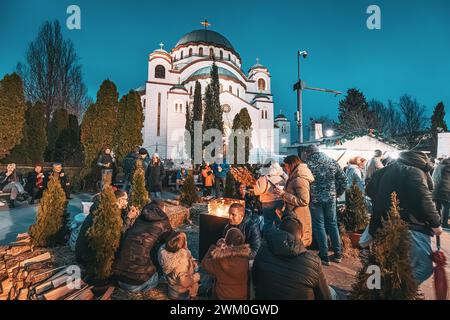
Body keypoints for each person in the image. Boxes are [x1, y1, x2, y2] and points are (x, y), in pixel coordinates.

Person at [366, 151, 442, 285]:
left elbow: (369, 190)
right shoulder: (415, 172)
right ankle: (398, 290)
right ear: (422, 162)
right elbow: (424, 200)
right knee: (423, 267)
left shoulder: (384, 170)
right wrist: (436, 223)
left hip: (381, 224)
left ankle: (377, 290)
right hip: (410, 227)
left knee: (381, 262)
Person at [252, 217, 333, 300]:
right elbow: (325, 297)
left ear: (279, 230)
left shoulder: (263, 249)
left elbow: (254, 279)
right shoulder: (313, 261)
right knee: (332, 292)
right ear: (300, 236)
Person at [113, 201, 173, 292]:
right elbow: (173, 240)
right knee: (162, 248)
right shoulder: (163, 221)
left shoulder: (139, 219)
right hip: (138, 284)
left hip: (119, 279)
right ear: (162, 209)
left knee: (144, 246)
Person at [305, 145, 347, 265]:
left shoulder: (308, 164)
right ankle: (338, 254)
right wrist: (337, 193)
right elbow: (344, 180)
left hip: (315, 199)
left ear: (308, 152)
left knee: (319, 226)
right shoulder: (332, 161)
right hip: (331, 198)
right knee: (332, 224)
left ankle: (324, 256)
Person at [75, 190, 140, 266]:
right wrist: (128, 218)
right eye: (126, 200)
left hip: (83, 253)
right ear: (120, 200)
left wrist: (127, 213)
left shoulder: (104, 208)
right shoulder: (108, 214)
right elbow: (119, 234)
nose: (127, 202)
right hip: (89, 258)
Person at [275, 155, 314, 247]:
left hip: (299, 215)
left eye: (286, 166)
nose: (285, 169)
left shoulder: (299, 179)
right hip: (294, 214)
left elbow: (304, 201)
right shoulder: (294, 177)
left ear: (292, 165)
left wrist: (284, 194)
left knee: (299, 243)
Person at [201, 227, 251, 300]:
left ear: (226, 241)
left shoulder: (220, 259)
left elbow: (204, 263)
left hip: (222, 296)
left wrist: (214, 247)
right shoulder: (245, 259)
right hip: (241, 296)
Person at [159, 232, 200, 300]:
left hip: (172, 289)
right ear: (183, 244)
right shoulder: (182, 263)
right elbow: (184, 282)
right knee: (196, 282)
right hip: (181, 294)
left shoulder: (164, 254)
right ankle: (192, 297)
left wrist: (192, 261)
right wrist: (196, 277)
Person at [253, 162, 287, 234]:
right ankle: (280, 237)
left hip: (268, 202)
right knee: (279, 221)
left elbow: (257, 191)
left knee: (268, 222)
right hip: (281, 201)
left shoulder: (265, 177)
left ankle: (268, 238)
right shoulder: (283, 176)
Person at [432, 157, 450, 228]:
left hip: (436, 188)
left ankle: (437, 222)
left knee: (437, 206)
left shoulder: (439, 165)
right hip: (445, 189)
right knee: (446, 206)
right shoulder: (448, 166)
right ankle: (444, 224)